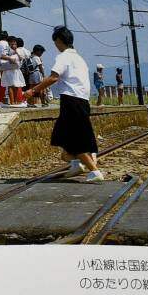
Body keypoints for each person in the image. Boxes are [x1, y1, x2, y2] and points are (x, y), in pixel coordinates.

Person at [24, 26, 103, 183]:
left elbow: (54, 77)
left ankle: (94, 171)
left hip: (71, 100)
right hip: (82, 100)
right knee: (63, 136)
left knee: (74, 138)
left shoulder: (64, 57)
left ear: (58, 41)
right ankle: (75, 165)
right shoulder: (80, 59)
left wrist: (33, 91)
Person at [0, 36, 26, 106]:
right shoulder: (6, 49)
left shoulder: (18, 50)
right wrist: (10, 58)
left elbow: (21, 57)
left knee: (16, 85)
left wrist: (17, 53)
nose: (13, 45)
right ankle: (12, 102)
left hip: (16, 69)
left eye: (15, 44)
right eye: (12, 44)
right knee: (10, 86)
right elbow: (1, 56)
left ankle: (16, 101)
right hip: (9, 69)